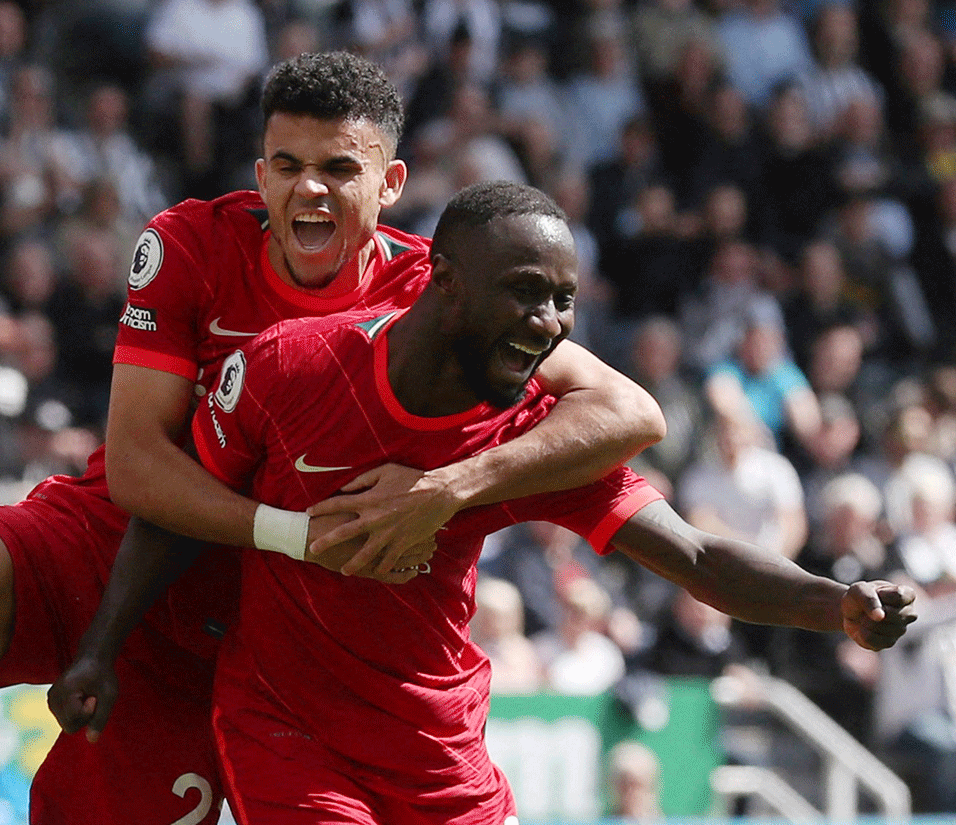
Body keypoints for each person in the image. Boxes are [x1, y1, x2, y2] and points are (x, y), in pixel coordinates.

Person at [0, 53, 664, 824]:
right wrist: (300, 532)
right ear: (259, 171)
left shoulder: (441, 293)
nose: (308, 188)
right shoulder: (190, 243)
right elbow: (145, 469)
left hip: (284, 624)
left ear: (389, 185)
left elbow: (630, 413)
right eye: (286, 163)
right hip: (127, 548)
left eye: (339, 169)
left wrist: (451, 489)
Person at [53, 181, 915, 823]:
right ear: (444, 278)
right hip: (290, 735)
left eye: (564, 299)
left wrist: (830, 602)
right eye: (526, 290)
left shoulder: (539, 438)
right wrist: (100, 646)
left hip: (442, 755)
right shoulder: (292, 367)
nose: (549, 322)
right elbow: (176, 505)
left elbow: (695, 556)